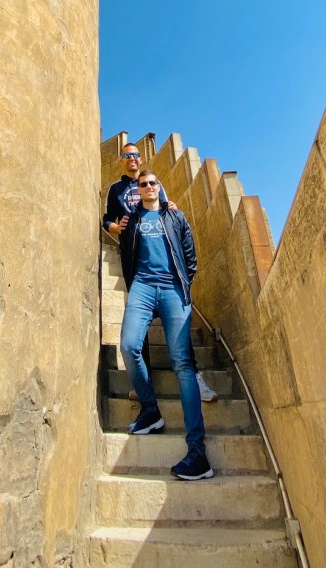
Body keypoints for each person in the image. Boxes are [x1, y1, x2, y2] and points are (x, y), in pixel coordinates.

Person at [102, 143, 218, 402]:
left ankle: (195, 379)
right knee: (138, 327)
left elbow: (168, 212)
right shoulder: (116, 189)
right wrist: (116, 229)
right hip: (135, 261)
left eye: (135, 155)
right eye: (127, 155)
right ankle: (144, 381)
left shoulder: (155, 184)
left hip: (164, 261)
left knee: (180, 327)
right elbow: (106, 219)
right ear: (122, 160)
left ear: (141, 159)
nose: (132, 158)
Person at [119, 169, 213, 480]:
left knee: (182, 363)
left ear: (159, 187)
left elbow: (190, 256)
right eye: (142, 184)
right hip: (143, 287)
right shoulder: (132, 221)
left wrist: (183, 286)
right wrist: (136, 286)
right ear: (138, 190)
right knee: (129, 345)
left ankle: (197, 452)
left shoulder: (176, 216)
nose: (148, 187)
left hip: (173, 289)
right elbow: (126, 257)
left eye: (152, 183)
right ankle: (150, 410)